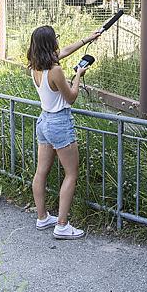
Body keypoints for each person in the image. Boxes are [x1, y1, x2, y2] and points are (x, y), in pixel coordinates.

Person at [27, 25, 100, 240]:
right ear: (51, 43)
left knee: (41, 172)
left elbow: (66, 51)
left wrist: (88, 38)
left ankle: (42, 218)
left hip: (44, 122)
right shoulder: (56, 71)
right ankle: (61, 225)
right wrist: (78, 74)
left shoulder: (35, 66)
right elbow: (71, 97)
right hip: (59, 123)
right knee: (71, 173)